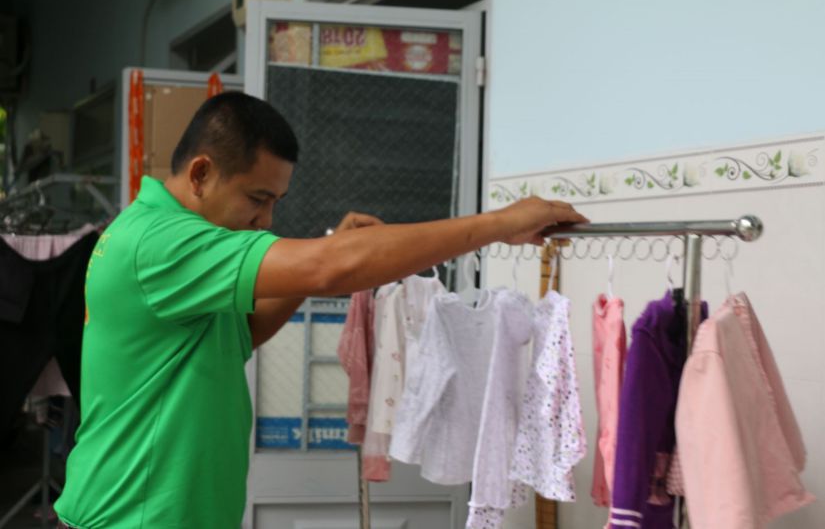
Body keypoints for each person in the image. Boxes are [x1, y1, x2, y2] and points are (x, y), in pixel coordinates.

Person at [54, 92, 588, 528]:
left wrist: (325, 257)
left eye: (275, 204)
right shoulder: (161, 243)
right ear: (200, 174)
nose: (265, 220)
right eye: (256, 198)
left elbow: (241, 334)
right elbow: (331, 269)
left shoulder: (170, 244)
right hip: (131, 518)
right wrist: (500, 224)